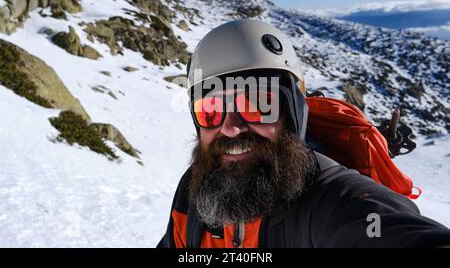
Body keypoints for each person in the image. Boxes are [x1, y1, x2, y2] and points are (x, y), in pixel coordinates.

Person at [158, 19, 450, 248]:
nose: (231, 127)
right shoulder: (194, 195)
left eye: (258, 104)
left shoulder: (334, 203)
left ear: (293, 114)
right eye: (210, 110)